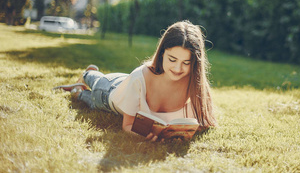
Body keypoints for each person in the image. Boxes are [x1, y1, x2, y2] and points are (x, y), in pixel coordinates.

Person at [53, 20, 216, 141]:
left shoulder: (194, 83)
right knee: (93, 90)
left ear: (195, 63)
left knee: (88, 92)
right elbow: (127, 126)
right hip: (108, 91)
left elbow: (205, 123)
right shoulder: (140, 76)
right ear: (161, 54)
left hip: (128, 85)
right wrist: (145, 135)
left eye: (186, 63)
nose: (178, 69)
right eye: (172, 59)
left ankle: (81, 87)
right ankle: (87, 75)